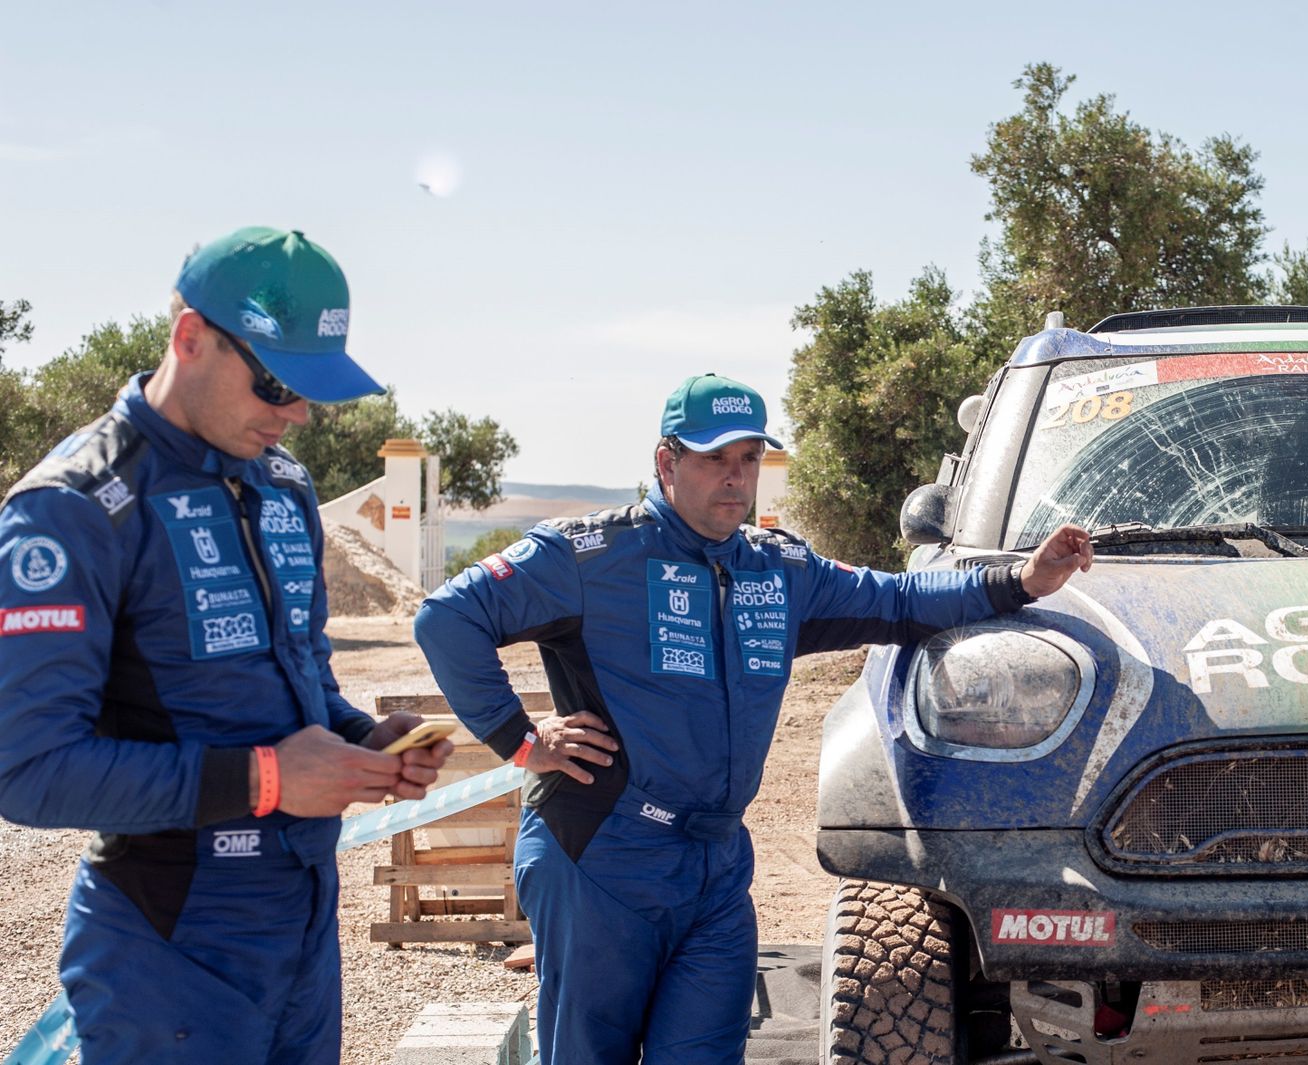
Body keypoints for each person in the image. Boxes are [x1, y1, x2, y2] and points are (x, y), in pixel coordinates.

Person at [413, 372, 1093, 1063]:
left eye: (749, 459)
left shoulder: (777, 568)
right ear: (665, 462)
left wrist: (1020, 581)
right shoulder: (591, 555)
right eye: (714, 459)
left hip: (714, 868)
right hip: (601, 858)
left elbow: (898, 600)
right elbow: (448, 618)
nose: (735, 478)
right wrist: (522, 738)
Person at [0, 227, 452, 1064]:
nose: (297, 415)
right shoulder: (73, 509)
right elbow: (27, 772)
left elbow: (306, 677)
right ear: (190, 338)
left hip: (301, 930)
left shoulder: (284, 486)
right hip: (168, 946)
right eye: (277, 384)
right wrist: (270, 778)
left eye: (312, 391)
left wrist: (362, 744)